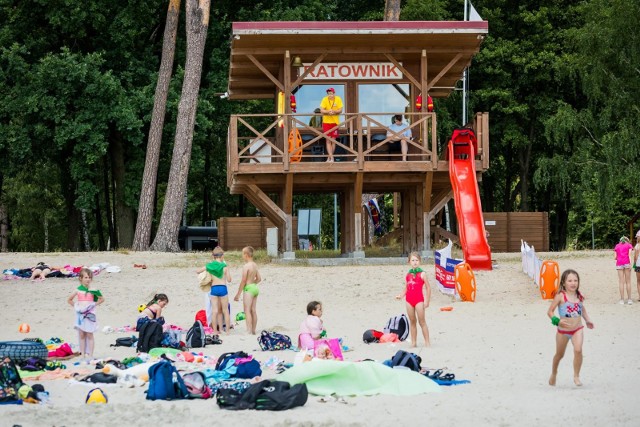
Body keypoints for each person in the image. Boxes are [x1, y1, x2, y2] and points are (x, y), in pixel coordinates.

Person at [547, 269, 594, 387]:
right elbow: (550, 312)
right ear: (563, 282)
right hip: (563, 331)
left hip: (577, 329)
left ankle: (576, 376)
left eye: (575, 280)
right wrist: (557, 321)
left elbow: (582, 309)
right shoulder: (560, 296)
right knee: (559, 355)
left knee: (578, 350)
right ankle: (554, 373)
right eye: (570, 281)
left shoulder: (580, 295)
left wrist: (588, 320)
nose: (573, 283)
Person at [67, 268, 104, 361]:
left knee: (90, 333)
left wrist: (93, 305)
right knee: (82, 334)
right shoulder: (78, 290)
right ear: (80, 278)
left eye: (90, 277)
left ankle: (90, 355)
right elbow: (69, 300)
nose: (88, 279)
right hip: (80, 315)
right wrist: (76, 307)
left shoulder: (94, 290)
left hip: (90, 314)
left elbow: (102, 299)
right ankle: (82, 354)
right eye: (86, 277)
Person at [395, 252, 431, 347]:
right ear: (409, 262)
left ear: (419, 261)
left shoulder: (422, 274)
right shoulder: (408, 274)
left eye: (416, 260)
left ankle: (427, 342)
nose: (415, 262)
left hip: (419, 300)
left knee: (422, 321)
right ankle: (413, 342)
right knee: (412, 321)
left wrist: (427, 301)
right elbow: (407, 288)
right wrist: (401, 295)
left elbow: (428, 288)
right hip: (409, 300)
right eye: (413, 260)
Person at [197, 246, 231, 335]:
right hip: (223, 288)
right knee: (225, 310)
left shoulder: (210, 266)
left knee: (215, 311)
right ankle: (227, 331)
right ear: (222, 256)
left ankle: (215, 331)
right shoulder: (224, 266)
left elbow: (197, 271)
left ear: (213, 256)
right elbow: (229, 279)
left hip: (214, 288)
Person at [234, 246, 262, 335]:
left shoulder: (246, 266)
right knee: (253, 310)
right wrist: (252, 282)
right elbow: (259, 279)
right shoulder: (254, 265)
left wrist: (238, 294)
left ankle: (249, 330)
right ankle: (253, 330)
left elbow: (243, 281)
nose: (242, 256)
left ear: (246, 255)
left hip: (249, 289)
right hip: (255, 288)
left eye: (243, 254)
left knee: (247, 310)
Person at [319, 87, 343, 162]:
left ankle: (330, 157)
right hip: (326, 122)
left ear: (334, 93)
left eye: (331, 93)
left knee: (333, 140)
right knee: (328, 140)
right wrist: (328, 111)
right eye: (329, 94)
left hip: (335, 123)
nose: (330, 95)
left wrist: (334, 112)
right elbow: (321, 110)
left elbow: (340, 110)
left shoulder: (338, 99)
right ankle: (331, 157)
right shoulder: (324, 99)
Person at [614, 236, 634, 305]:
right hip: (627, 263)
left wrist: (619, 257)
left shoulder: (617, 246)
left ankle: (622, 300)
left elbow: (615, 257)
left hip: (619, 263)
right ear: (627, 240)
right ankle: (629, 299)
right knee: (628, 282)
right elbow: (629, 255)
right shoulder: (629, 245)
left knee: (621, 282)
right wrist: (630, 264)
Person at [634, 230, 640, 301]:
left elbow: (635, 257)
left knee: (638, 281)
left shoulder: (637, 246)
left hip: (638, 265)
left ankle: (639, 296)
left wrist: (634, 265)